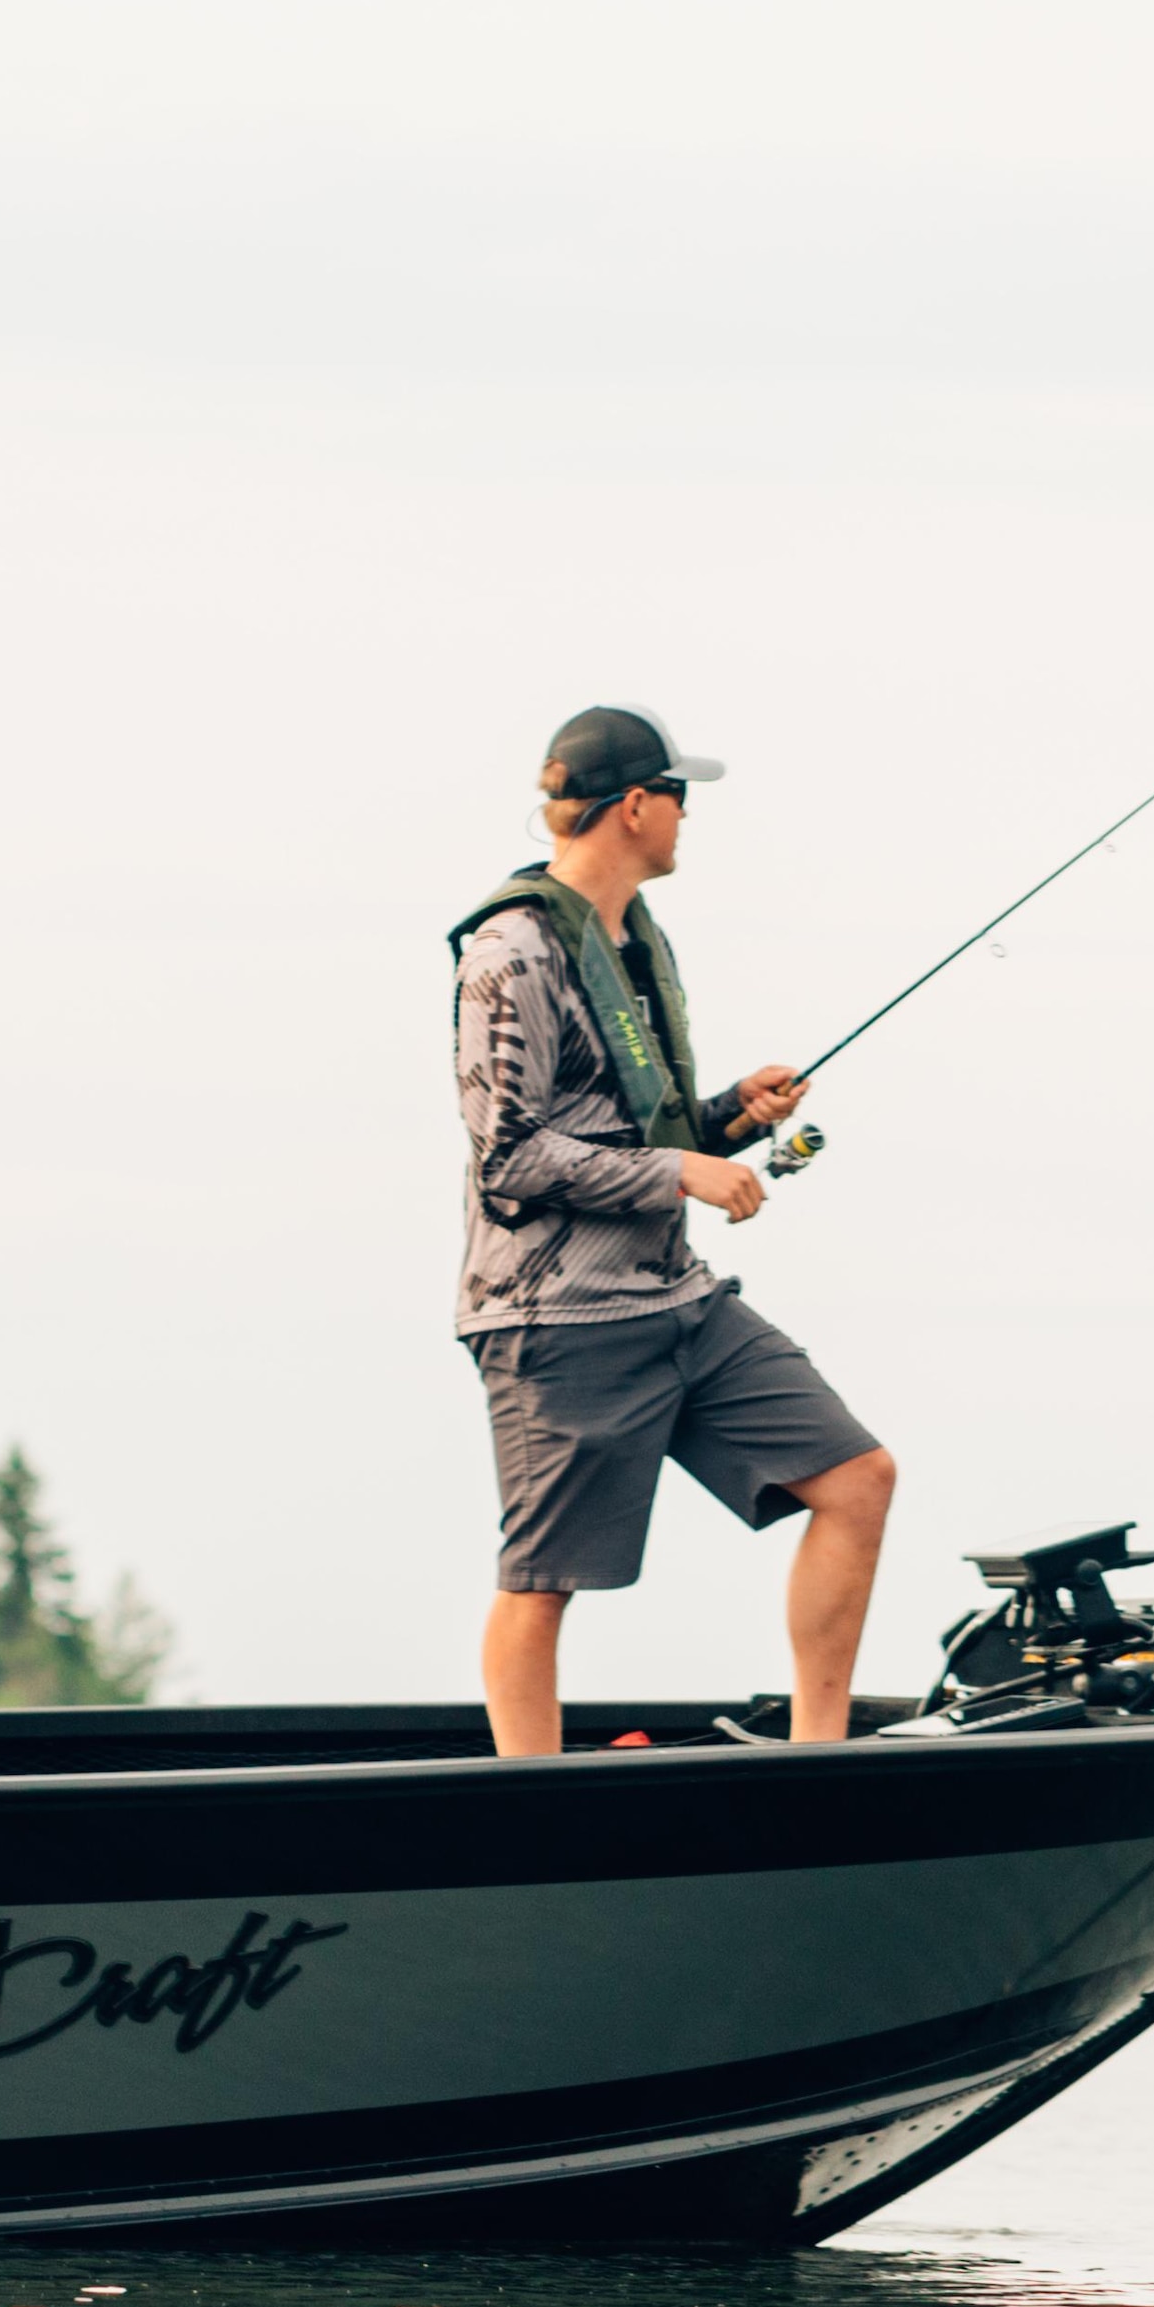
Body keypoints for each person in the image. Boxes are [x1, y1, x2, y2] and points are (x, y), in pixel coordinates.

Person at [448, 704, 897, 1754]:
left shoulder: (630, 945)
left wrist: (731, 1116)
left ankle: (816, 1755)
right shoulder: (507, 954)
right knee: (541, 1581)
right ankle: (532, 1802)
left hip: (675, 1300)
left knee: (856, 1480)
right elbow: (507, 1157)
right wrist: (679, 1169)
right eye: (678, 796)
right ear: (633, 806)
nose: (688, 817)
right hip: (554, 1317)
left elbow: (626, 1134)